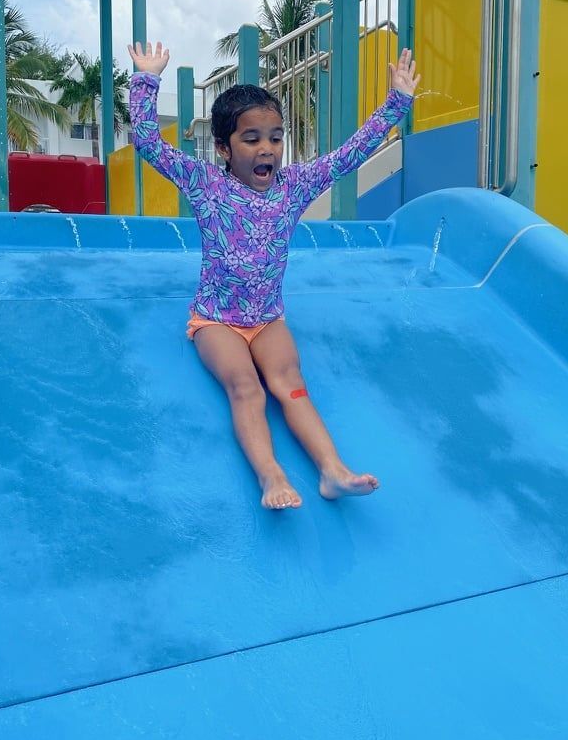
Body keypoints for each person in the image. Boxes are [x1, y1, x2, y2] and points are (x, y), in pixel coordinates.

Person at [128, 39, 420, 510]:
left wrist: (396, 104)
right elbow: (146, 140)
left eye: (276, 137)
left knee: (290, 384)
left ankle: (333, 471)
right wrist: (146, 79)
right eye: (252, 139)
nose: (267, 149)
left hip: (267, 317)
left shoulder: (295, 186)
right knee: (246, 387)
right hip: (216, 319)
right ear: (224, 147)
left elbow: (349, 155)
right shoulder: (206, 184)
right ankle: (271, 476)